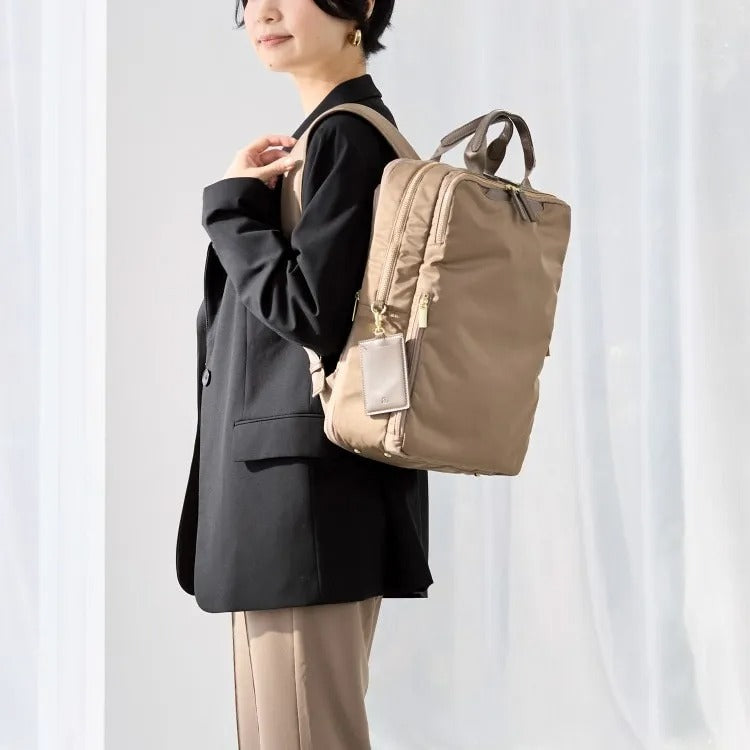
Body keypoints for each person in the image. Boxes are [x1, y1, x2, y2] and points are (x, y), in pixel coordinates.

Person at [175, 0, 433, 747]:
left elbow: (307, 309)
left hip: (303, 509)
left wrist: (232, 210)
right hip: (294, 503)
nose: (264, 11)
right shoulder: (330, 134)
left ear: (361, 8)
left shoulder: (347, 137)